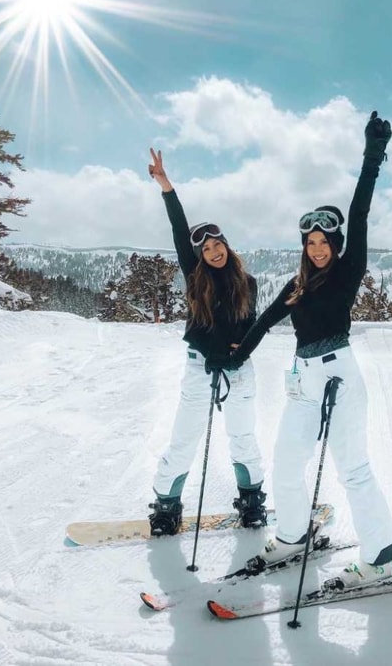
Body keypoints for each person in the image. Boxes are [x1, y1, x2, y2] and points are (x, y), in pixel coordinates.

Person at [225, 111, 392, 590]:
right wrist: (236, 354)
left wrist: (372, 157)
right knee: (286, 460)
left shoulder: (346, 272)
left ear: (336, 243)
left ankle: (385, 555)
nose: (318, 248)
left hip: (339, 375)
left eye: (324, 241)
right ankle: (293, 535)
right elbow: (265, 321)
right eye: (310, 242)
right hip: (303, 379)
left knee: (353, 468)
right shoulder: (299, 283)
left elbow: (360, 211)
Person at [145, 148, 267, 536]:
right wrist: (166, 186)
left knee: (243, 437)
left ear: (226, 247)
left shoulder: (246, 283)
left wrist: (237, 352)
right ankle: (166, 505)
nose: (213, 253)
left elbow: (250, 326)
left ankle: (251, 500)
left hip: (238, 369)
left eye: (218, 246)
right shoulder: (194, 275)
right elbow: (180, 230)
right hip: (199, 365)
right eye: (206, 249)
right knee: (184, 438)